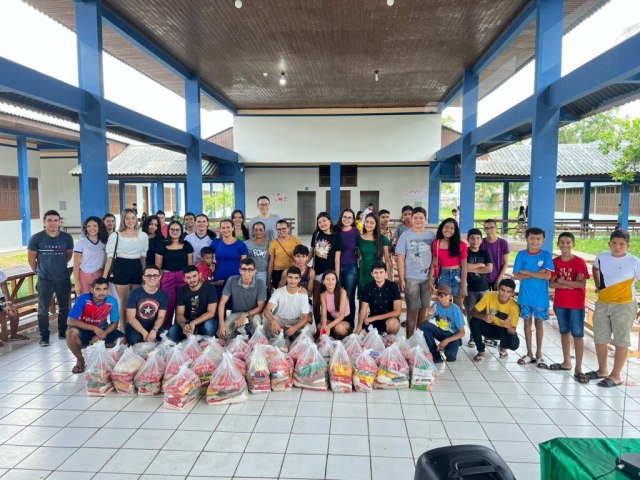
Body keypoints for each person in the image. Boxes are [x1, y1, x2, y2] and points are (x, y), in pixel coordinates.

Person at [589, 229, 640, 388]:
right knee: (600, 338)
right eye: (614, 243)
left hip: (624, 305)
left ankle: (616, 375)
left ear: (628, 245)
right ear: (609, 243)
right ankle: (602, 370)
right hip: (603, 303)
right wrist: (598, 285)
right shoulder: (601, 257)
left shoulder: (634, 261)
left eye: (621, 244)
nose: (617, 247)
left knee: (621, 340)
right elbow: (595, 268)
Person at [28, 210, 74, 346]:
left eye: (55, 220)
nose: (53, 223)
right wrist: (39, 273)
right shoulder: (36, 238)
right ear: (44, 222)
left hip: (63, 278)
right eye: (49, 220)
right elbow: (31, 259)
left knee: (65, 307)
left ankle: (62, 331)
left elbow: (68, 256)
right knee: (43, 309)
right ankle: (44, 337)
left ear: (59, 222)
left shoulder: (66, 238)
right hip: (45, 279)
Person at [549, 232, 590, 382]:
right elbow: (551, 284)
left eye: (568, 242)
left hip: (576, 304)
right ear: (558, 244)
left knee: (578, 335)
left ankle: (579, 368)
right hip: (560, 303)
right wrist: (569, 283)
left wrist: (561, 281)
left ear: (573, 244)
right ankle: (567, 362)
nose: (565, 245)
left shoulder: (579, 262)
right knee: (564, 332)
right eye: (562, 242)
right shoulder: (555, 262)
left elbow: (581, 284)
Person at [513, 227, 553, 367]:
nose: (535, 241)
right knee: (527, 324)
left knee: (539, 324)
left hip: (541, 298)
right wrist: (537, 273)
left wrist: (527, 272)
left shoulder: (546, 255)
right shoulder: (521, 255)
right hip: (525, 297)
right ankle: (529, 353)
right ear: (526, 239)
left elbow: (547, 275)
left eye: (538, 239)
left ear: (543, 240)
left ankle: (539, 354)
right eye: (532, 238)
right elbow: (516, 275)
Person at [104, 208, 149, 331]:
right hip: (121, 267)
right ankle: (123, 330)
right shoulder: (116, 235)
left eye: (133, 218)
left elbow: (143, 257)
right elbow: (109, 258)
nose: (130, 221)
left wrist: (145, 275)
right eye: (127, 218)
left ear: (137, 219)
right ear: (123, 220)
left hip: (136, 267)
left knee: (136, 301)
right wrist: (104, 278)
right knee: (124, 302)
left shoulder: (143, 235)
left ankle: (135, 329)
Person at [66, 277, 122, 373]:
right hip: (82, 330)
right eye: (98, 289)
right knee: (71, 333)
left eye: (105, 289)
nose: (102, 292)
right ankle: (80, 360)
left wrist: (102, 334)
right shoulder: (83, 299)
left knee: (123, 340)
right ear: (92, 290)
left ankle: (111, 363)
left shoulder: (112, 301)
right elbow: (70, 321)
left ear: (108, 290)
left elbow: (114, 323)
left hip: (101, 329)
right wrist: (94, 328)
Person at [396, 207, 435, 337]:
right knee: (412, 310)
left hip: (428, 278)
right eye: (415, 217)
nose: (418, 220)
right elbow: (400, 258)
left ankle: (420, 338)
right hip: (411, 278)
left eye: (421, 218)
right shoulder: (405, 236)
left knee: (424, 308)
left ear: (426, 219)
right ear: (411, 219)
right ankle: (409, 339)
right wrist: (402, 279)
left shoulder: (431, 236)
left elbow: (435, 258)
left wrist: (433, 277)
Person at [470, 279, 520, 362]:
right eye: (502, 290)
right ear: (498, 288)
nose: (504, 294)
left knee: (514, 344)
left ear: (512, 293)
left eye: (508, 292)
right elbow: (473, 312)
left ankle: (503, 348)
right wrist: (484, 317)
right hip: (489, 327)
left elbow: (513, 330)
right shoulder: (489, 296)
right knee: (474, 321)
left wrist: (509, 326)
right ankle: (481, 351)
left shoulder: (514, 307)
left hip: (503, 331)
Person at [156, 220, 194, 328]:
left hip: (183, 277)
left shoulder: (187, 245)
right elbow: (157, 266)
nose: (175, 231)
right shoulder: (162, 245)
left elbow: (190, 265)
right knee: (168, 306)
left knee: (183, 306)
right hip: (167, 277)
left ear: (181, 231)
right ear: (168, 231)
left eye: (177, 229)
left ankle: (180, 330)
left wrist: (191, 280)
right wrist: (157, 281)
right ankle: (165, 332)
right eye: (172, 229)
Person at [217, 258, 267, 340]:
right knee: (223, 335)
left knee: (256, 324)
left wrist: (245, 314)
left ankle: (252, 340)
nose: (247, 272)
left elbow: (261, 307)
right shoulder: (232, 280)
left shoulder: (260, 283)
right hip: (237, 314)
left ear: (255, 271)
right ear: (240, 271)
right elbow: (222, 303)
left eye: (250, 269)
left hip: (253, 314)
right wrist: (221, 324)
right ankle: (239, 338)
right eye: (244, 269)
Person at [167, 265, 218, 341]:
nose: (192, 280)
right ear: (184, 279)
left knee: (208, 327)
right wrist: (183, 326)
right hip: (188, 321)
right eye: (188, 277)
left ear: (200, 275)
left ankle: (204, 343)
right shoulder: (182, 290)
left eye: (194, 276)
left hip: (205, 320)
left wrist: (194, 323)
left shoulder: (210, 288)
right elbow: (179, 314)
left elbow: (211, 313)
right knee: (171, 333)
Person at [428, 218, 467, 312]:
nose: (448, 230)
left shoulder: (461, 245)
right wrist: (430, 280)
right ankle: (443, 326)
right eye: (446, 227)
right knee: (443, 306)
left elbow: (464, 267)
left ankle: (457, 327)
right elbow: (434, 263)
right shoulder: (436, 243)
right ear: (442, 228)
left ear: (455, 230)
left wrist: (463, 285)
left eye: (451, 228)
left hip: (457, 276)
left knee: (458, 308)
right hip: (443, 275)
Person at [310, 212, 344, 322]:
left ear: (330, 221)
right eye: (319, 222)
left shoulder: (337, 237)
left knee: (330, 302)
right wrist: (303, 265)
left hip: (329, 274)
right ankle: (319, 326)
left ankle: (329, 326)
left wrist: (336, 277)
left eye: (324, 220)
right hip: (317, 273)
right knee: (316, 302)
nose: (322, 223)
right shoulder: (316, 234)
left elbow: (337, 259)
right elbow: (311, 252)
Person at [263, 266, 312, 339]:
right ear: (286, 278)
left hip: (295, 321)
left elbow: (305, 317)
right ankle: (276, 340)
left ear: (299, 279)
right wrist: (273, 321)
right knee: (266, 320)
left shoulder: (303, 294)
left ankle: (292, 338)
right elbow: (267, 310)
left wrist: (294, 328)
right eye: (290, 277)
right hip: (280, 320)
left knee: (309, 328)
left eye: (296, 278)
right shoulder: (278, 291)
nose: (293, 281)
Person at [124, 265, 169, 345]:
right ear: (143, 277)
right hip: (136, 326)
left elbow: (161, 317)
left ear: (159, 277)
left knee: (164, 341)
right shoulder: (133, 293)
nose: (152, 278)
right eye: (148, 275)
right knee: (136, 342)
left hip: (154, 325)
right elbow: (131, 318)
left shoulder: (163, 295)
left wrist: (154, 330)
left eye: (155, 275)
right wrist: (144, 333)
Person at [422, 284, 465, 362]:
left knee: (450, 356)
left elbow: (462, 333)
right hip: (441, 332)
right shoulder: (436, 305)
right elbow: (425, 322)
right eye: (440, 296)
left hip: (452, 335)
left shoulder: (455, 309)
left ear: (450, 297)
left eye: (445, 296)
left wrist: (446, 341)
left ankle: (452, 345)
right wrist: (429, 314)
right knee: (424, 326)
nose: (443, 298)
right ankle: (436, 356)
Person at [355, 261, 401, 335]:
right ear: (372, 274)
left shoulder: (393, 286)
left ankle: (390, 340)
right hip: (373, 320)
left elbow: (397, 312)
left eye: (381, 272)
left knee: (393, 324)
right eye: (376, 273)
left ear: (385, 273)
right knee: (364, 336)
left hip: (388, 320)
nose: (379, 275)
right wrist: (359, 327)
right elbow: (363, 309)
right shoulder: (367, 287)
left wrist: (375, 318)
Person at [464, 228, 492, 348]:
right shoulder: (465, 252)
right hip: (469, 288)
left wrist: (471, 267)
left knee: (485, 312)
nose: (475, 241)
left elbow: (489, 269)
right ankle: (473, 335)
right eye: (472, 238)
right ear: (468, 240)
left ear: (481, 240)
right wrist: (480, 265)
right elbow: (463, 268)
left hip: (483, 288)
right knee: (471, 313)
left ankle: (486, 335)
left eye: (477, 238)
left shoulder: (485, 253)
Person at [210, 219, 248, 298]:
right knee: (220, 303)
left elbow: (244, 264)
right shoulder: (215, 242)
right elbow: (208, 257)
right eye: (223, 228)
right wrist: (212, 264)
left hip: (236, 279)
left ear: (233, 228)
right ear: (220, 230)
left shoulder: (241, 244)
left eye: (228, 227)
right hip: (219, 279)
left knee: (234, 304)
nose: (225, 230)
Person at [357, 212, 392, 297]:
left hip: (378, 272)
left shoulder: (382, 239)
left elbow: (387, 259)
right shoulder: (359, 239)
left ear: (376, 224)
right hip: (363, 271)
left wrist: (389, 276)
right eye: (367, 222)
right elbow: (357, 255)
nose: (368, 224)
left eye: (372, 222)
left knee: (377, 299)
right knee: (363, 298)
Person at [73, 216, 108, 296]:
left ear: (99, 227)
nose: (92, 228)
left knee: (99, 300)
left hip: (99, 275)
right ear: (85, 228)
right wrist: (77, 283)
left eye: (95, 226)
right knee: (85, 302)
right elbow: (76, 265)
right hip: (84, 276)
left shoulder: (105, 243)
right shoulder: (81, 243)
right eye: (89, 226)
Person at [336, 208, 359, 324]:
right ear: (341, 217)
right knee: (338, 295)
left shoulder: (356, 232)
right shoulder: (336, 230)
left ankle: (349, 324)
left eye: (349, 217)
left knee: (349, 296)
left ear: (353, 219)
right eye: (344, 217)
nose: (347, 219)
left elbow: (360, 248)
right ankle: (339, 323)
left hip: (351, 267)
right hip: (336, 267)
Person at [267, 219, 301, 290]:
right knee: (279, 293)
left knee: (293, 291)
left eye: (284, 228)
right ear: (276, 230)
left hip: (292, 270)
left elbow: (300, 255)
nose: (281, 231)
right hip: (277, 272)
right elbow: (271, 262)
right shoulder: (273, 243)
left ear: (288, 228)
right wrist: (269, 278)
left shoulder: (295, 240)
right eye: (279, 229)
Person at [319, 270, 351, 338]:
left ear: (336, 281)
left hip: (344, 319)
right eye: (327, 279)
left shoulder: (342, 292)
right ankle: (330, 337)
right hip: (333, 319)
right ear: (323, 282)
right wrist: (324, 325)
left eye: (333, 279)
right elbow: (324, 314)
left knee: (338, 328)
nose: (330, 282)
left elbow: (341, 316)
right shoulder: (323, 295)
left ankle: (338, 336)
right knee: (320, 326)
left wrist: (329, 326)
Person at [481, 219, 510, 291]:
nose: (489, 230)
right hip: (483, 278)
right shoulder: (481, 242)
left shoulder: (503, 243)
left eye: (492, 227)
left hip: (498, 277)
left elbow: (506, 263)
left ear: (496, 228)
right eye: (487, 228)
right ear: (484, 229)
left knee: (496, 300)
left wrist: (499, 279)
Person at [0, 270, 25, 344]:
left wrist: (8, 304)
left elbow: (5, 290)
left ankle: (14, 335)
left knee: (13, 313)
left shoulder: (1, 274)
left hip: (1, 300)